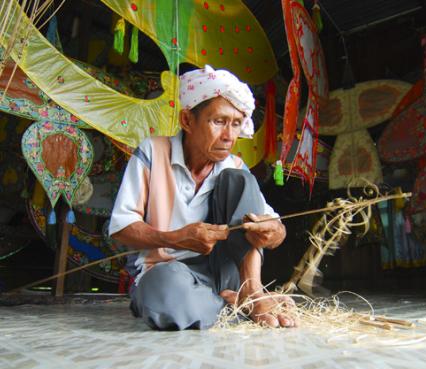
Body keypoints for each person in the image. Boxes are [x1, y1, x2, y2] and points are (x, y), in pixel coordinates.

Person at [109, 65, 296, 330]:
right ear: (187, 121)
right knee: (166, 294)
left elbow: (276, 228)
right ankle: (228, 304)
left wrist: (273, 232)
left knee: (239, 179)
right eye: (218, 121)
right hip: (169, 274)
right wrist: (173, 238)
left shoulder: (235, 166)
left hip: (227, 275)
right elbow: (121, 227)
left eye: (235, 124)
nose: (229, 136)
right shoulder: (153, 151)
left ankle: (251, 292)